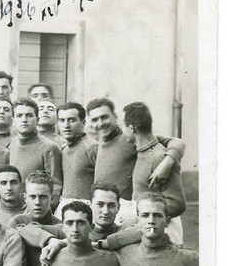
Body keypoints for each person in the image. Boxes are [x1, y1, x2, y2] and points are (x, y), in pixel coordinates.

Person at [88, 97, 185, 225]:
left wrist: (169, 160)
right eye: (95, 120)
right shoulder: (100, 142)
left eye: (104, 117)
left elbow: (177, 142)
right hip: (112, 212)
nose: (100, 124)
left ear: (115, 117)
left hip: (134, 213)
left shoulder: (130, 138)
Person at [121, 102, 188, 245]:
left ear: (132, 128)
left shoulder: (158, 157)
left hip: (164, 233)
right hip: (146, 228)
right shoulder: (142, 149)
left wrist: (139, 217)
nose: (122, 131)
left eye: (123, 126)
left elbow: (177, 204)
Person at [7, 170, 58, 266]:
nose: (37, 202)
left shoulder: (60, 225)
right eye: (32, 197)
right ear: (25, 198)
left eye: (43, 197)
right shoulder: (17, 221)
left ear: (52, 198)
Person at [8, 98, 63, 199]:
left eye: (29, 115)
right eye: (19, 116)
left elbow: (55, 187)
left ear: (37, 120)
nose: (24, 120)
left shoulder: (49, 148)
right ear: (13, 121)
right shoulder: (12, 144)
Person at [56, 102, 99, 214]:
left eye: (72, 120)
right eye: (62, 120)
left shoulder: (92, 147)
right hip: (65, 209)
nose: (66, 125)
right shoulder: (63, 148)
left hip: (85, 211)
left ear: (83, 122)